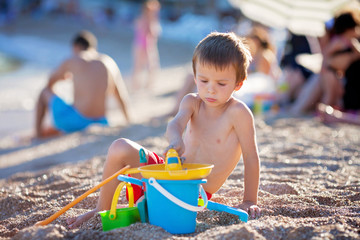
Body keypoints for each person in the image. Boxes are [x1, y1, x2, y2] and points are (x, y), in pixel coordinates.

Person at [67, 32, 261, 229]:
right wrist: (176, 140)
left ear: (239, 83)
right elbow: (175, 124)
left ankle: (143, 206)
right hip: (165, 173)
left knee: (152, 204)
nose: (210, 89)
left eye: (221, 83)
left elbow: (251, 157)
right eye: (203, 81)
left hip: (191, 190)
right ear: (194, 76)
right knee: (120, 147)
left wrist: (249, 200)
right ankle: (102, 209)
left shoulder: (238, 113)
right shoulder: (192, 102)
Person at [35, 30, 130, 138]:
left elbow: (50, 83)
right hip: (102, 121)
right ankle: (56, 128)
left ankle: (37, 134)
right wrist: (128, 120)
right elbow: (121, 95)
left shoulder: (74, 59)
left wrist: (62, 78)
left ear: (76, 46)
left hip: (78, 121)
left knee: (44, 92)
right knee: (72, 105)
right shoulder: (109, 62)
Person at [130, 0, 161, 91]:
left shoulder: (141, 18)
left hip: (138, 44)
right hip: (146, 45)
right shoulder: (149, 20)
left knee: (138, 66)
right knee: (151, 66)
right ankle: (148, 85)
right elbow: (153, 33)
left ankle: (136, 85)